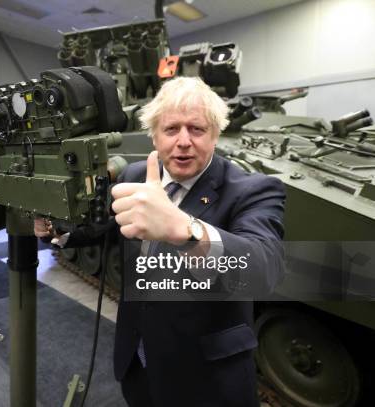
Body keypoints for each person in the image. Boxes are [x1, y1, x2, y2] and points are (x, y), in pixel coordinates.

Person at [35, 77, 285, 406]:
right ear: (153, 135)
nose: (183, 141)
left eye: (196, 129)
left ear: (215, 134)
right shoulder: (135, 175)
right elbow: (109, 223)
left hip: (207, 378)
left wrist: (183, 228)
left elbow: (264, 270)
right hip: (138, 359)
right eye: (171, 129)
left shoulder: (253, 190)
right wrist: (59, 230)